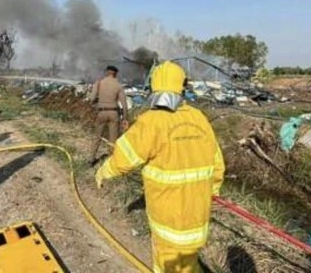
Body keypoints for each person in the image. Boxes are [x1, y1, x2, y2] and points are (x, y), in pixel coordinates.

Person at [95, 61, 225, 273]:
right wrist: (213, 192)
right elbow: (217, 162)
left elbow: (125, 157)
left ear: (154, 86)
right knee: (190, 262)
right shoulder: (199, 118)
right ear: (181, 86)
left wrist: (104, 171)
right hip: (197, 216)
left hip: (168, 218)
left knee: (168, 265)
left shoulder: (151, 121)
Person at [87, 65, 129, 165]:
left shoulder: (99, 83)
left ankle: (91, 159)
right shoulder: (118, 85)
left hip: (102, 112)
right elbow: (124, 104)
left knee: (97, 137)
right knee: (112, 140)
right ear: (115, 74)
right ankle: (110, 163)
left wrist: (97, 103)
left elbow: (92, 99)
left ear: (107, 72)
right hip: (114, 113)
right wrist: (125, 118)